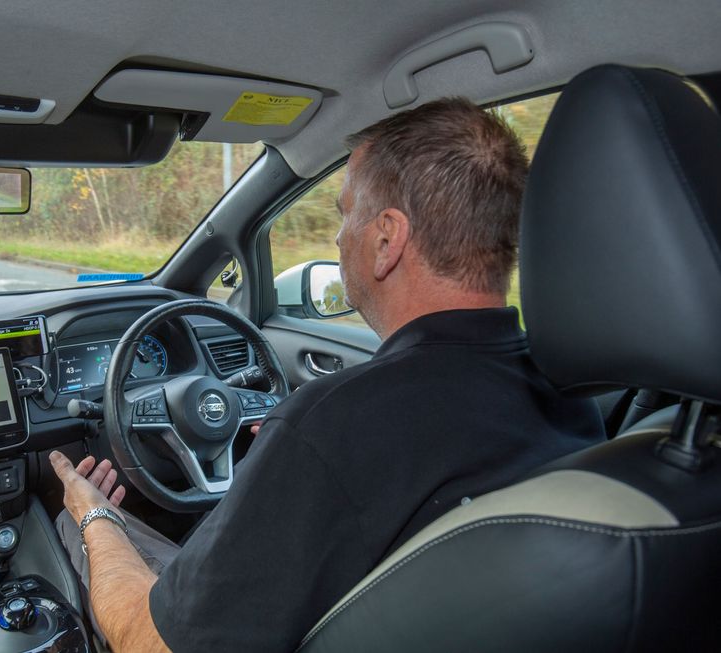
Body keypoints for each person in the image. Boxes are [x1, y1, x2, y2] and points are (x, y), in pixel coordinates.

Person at [50, 98, 605, 652]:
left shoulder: (330, 426)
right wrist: (285, 471)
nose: (340, 238)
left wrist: (91, 512)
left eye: (346, 214)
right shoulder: (569, 394)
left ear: (387, 239)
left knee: (73, 534)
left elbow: (152, 645)